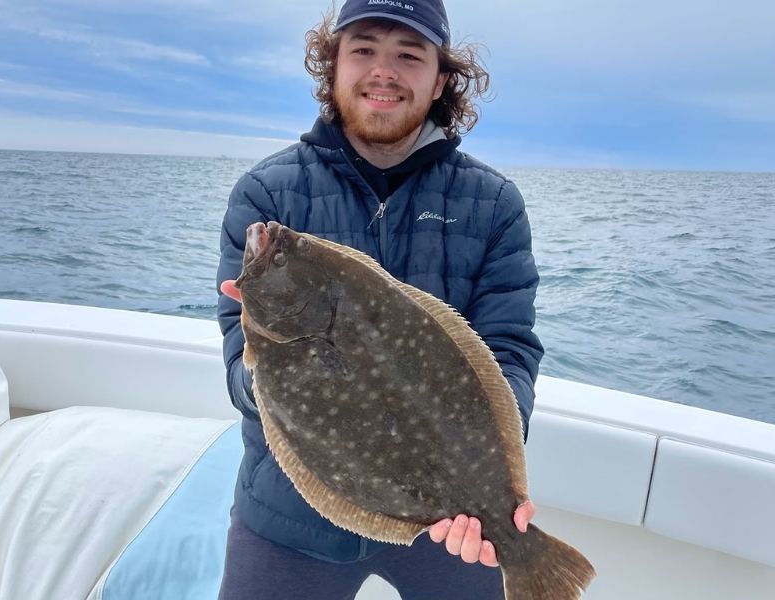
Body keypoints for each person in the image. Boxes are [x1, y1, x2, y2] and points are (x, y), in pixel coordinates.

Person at [216, 1, 543, 598]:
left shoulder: (494, 204)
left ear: (441, 78)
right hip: (287, 514)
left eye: (409, 55)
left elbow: (509, 353)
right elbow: (237, 368)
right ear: (332, 65)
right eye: (363, 49)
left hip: (448, 526)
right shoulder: (265, 194)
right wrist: (262, 371)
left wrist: (491, 481)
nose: (384, 70)